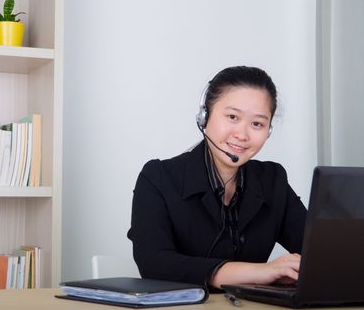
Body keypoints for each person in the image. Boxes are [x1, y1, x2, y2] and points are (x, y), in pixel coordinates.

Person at [127, 66, 307, 289]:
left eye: (257, 124)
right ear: (205, 116)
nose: (242, 135)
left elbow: (321, 252)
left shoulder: (272, 180)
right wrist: (260, 272)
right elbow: (154, 264)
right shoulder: (158, 178)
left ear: (268, 130)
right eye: (232, 117)